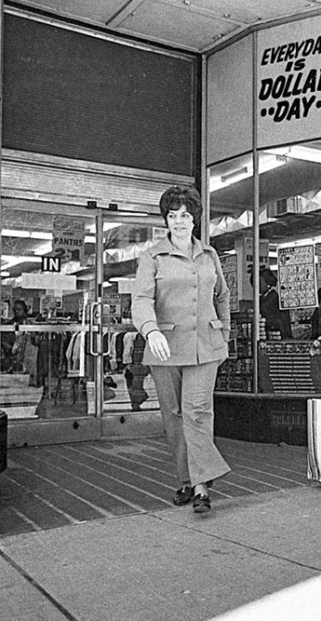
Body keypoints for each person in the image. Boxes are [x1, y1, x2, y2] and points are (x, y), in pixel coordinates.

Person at [132, 185, 231, 513]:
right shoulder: (152, 256)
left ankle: (202, 486)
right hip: (165, 348)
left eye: (185, 215)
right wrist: (150, 330)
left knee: (197, 412)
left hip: (206, 346)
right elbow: (142, 299)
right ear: (166, 220)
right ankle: (186, 479)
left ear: (195, 219)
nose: (179, 221)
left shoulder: (210, 255)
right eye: (172, 216)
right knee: (173, 416)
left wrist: (224, 334)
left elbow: (223, 296)